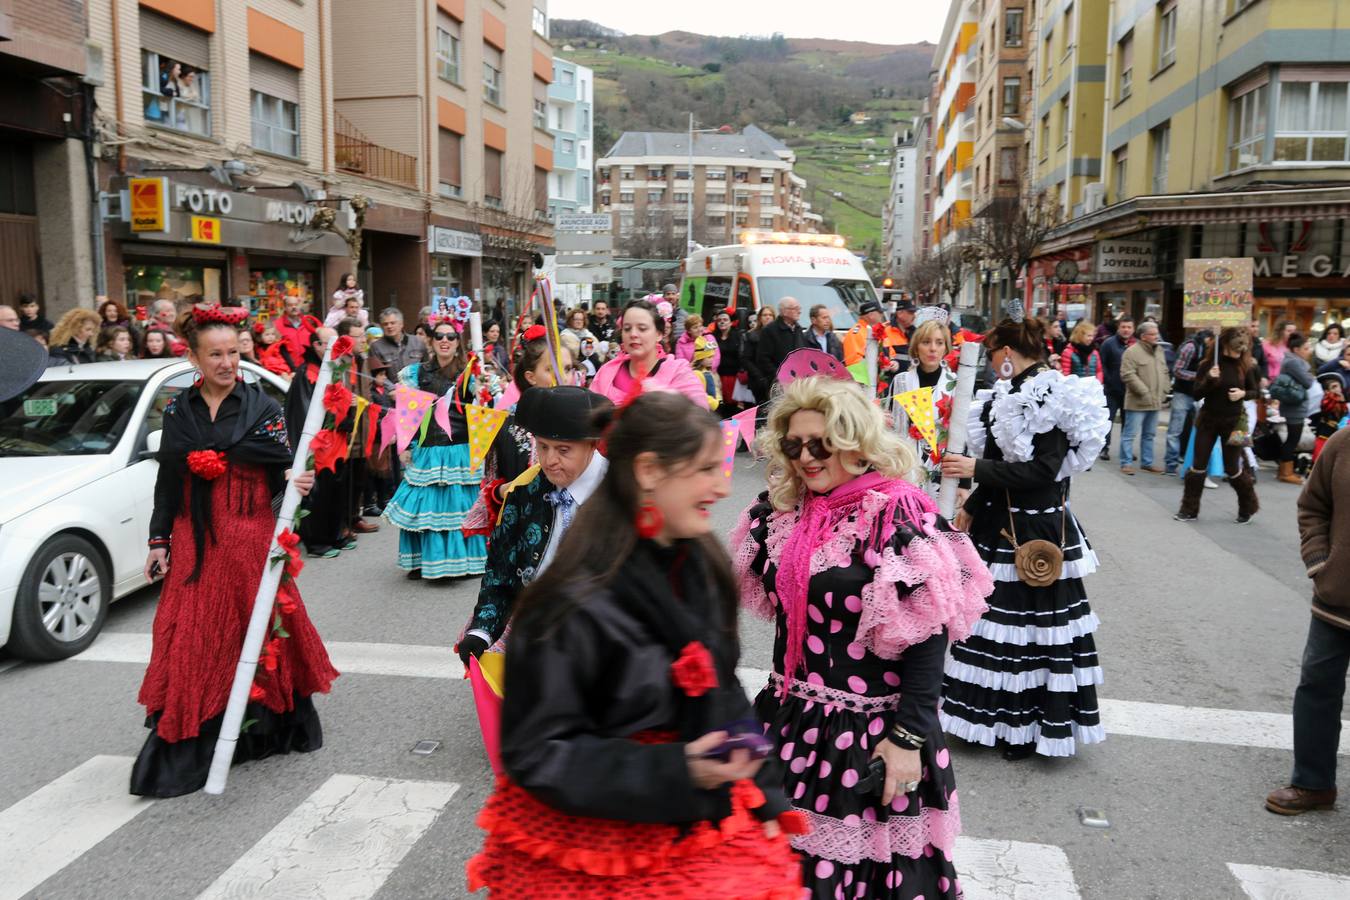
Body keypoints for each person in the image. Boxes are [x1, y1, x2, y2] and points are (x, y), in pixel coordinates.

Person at [467, 392, 804, 899]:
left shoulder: (700, 563)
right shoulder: (566, 604)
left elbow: (720, 685)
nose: (721, 485)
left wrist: (766, 791)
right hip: (598, 847)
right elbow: (535, 753)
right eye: (706, 469)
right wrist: (678, 768)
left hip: (695, 815)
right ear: (648, 472)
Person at [733, 374, 992, 899]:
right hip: (789, 723)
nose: (806, 457)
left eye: (821, 444)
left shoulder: (896, 515)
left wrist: (907, 741)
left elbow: (928, 637)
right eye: (794, 444)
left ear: (856, 442)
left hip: (872, 734)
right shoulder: (781, 513)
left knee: (861, 881)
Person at [132, 306, 338, 797]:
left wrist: (295, 481)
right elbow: (169, 477)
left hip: (249, 537)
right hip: (195, 539)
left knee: (258, 629)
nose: (228, 363)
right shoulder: (179, 410)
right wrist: (159, 539)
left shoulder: (261, 408)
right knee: (190, 635)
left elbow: (282, 470)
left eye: (233, 352)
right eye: (216, 355)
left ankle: (265, 727)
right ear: (195, 359)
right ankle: (189, 739)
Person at [939, 316, 1110, 759]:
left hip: (1035, 531)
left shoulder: (1052, 393)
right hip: (1002, 525)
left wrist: (976, 471)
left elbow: (1042, 473)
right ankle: (988, 720)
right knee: (993, 629)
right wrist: (972, 507)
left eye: (994, 356)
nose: (993, 366)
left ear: (1009, 354)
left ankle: (1026, 728)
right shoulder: (1007, 395)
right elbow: (1000, 463)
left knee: (1032, 635)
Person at [458, 386, 611, 664]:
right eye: (542, 447)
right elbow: (500, 574)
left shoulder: (622, 496)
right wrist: (481, 631)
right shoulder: (524, 494)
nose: (550, 460)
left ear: (592, 444)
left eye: (563, 450)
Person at [1264, 424, 1350, 816]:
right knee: (1317, 688)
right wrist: (1321, 565)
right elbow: (1313, 505)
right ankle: (1313, 783)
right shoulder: (1343, 443)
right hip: (1337, 599)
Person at [385, 322, 487, 580]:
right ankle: (423, 561)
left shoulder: (471, 373)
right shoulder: (415, 374)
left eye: (450, 336)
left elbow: (488, 410)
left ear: (457, 341)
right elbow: (406, 415)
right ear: (430, 340)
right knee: (424, 507)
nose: (445, 340)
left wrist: (485, 388)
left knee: (459, 507)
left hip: (459, 449)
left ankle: (462, 563)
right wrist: (404, 446)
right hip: (428, 448)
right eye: (439, 336)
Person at [1175, 327, 1262, 523]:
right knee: (1197, 466)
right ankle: (1189, 510)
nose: (1239, 353)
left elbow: (1255, 392)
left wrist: (1242, 394)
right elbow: (1197, 394)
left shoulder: (1247, 366)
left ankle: (1247, 507)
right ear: (1225, 345)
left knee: (1233, 468)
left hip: (1237, 423)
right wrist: (1209, 380)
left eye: (1242, 349)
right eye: (1235, 349)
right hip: (1208, 420)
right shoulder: (1208, 364)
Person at [284, 327, 355, 559]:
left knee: (336, 491)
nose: (335, 350)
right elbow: (303, 413)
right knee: (318, 494)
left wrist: (347, 417)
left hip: (337, 443)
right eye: (329, 344)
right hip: (319, 444)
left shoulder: (335, 369)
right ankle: (317, 541)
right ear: (316, 345)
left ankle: (336, 534)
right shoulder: (307, 374)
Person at [589, 299, 708, 409]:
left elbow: (699, 419)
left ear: (659, 334)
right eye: (627, 328)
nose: (633, 334)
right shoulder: (607, 371)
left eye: (642, 328)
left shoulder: (679, 372)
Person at [893, 317, 960, 500]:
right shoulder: (902, 381)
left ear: (946, 348)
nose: (932, 349)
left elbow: (961, 431)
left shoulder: (955, 383)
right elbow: (894, 430)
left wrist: (964, 483)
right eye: (926, 342)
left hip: (942, 468)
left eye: (939, 343)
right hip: (907, 466)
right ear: (916, 347)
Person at [1118, 321, 1169, 475]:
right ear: (1143, 336)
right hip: (1137, 401)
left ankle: (1147, 462)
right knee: (1129, 434)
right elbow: (1127, 374)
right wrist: (1144, 392)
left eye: (1156, 333)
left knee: (1149, 434)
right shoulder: (1132, 352)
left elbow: (1165, 372)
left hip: (1155, 401)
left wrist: (1165, 390)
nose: (1156, 336)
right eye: (1153, 334)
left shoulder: (1160, 350)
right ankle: (1125, 463)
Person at [1164, 329, 1213, 475]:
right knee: (1175, 430)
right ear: (1208, 339)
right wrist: (1199, 376)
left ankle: (1192, 463)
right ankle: (1171, 464)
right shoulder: (1191, 347)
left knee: (1198, 432)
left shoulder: (1211, 351)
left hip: (1199, 394)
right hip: (1183, 393)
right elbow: (1177, 370)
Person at [1273, 333, 1316, 486]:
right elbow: (1308, 382)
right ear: (1296, 349)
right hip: (1295, 407)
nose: (1308, 351)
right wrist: (1309, 375)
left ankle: (1284, 471)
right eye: (1305, 348)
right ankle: (1286, 473)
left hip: (1294, 405)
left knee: (1292, 439)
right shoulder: (1294, 363)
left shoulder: (1295, 361)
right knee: (1292, 440)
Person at [1097, 316, 1135, 461]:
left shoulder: (1135, 344)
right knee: (1108, 421)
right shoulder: (1108, 343)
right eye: (1123, 327)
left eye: (1129, 327)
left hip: (1130, 391)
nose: (1126, 330)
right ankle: (1104, 448)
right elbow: (1102, 364)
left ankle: (1126, 451)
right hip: (1111, 390)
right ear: (1119, 327)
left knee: (1129, 423)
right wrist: (1108, 381)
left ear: (1133, 329)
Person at [755, 297, 808, 389]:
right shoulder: (769, 330)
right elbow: (763, 359)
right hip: (779, 384)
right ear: (784, 311)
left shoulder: (798, 329)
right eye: (795, 308)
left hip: (798, 382)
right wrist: (779, 377)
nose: (799, 311)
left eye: (799, 308)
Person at [741, 304, 779, 405]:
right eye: (765, 315)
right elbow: (746, 359)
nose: (768, 317)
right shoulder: (752, 335)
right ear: (760, 318)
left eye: (770, 315)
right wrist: (759, 377)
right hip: (759, 380)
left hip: (776, 379)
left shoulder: (779, 335)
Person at [710, 310, 743, 413]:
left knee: (733, 407)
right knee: (719, 405)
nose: (722, 322)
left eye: (725, 320)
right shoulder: (712, 337)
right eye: (719, 320)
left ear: (730, 322)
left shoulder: (738, 336)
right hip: (717, 376)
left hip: (734, 376)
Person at [1310, 373, 1347, 463]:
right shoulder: (1327, 400)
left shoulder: (1341, 399)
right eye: (1334, 387)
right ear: (1327, 391)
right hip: (1325, 431)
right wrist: (1337, 400)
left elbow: (1343, 414)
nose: (1338, 389)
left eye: (1338, 386)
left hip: (1337, 431)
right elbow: (1326, 408)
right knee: (1321, 453)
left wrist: (1342, 402)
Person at [690, 336, 721, 410]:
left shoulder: (707, 371)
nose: (712, 360)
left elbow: (715, 389)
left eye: (712, 357)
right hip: (704, 409)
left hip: (712, 407)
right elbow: (700, 394)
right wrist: (715, 404)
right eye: (709, 357)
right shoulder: (697, 373)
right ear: (701, 358)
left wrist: (719, 400)